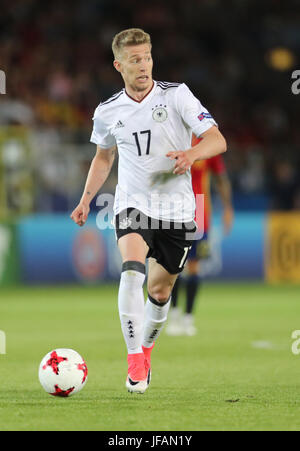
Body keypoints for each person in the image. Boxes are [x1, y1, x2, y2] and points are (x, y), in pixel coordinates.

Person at [70, 28, 227, 394]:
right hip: (132, 205)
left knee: (159, 292)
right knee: (132, 270)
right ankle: (134, 360)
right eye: (136, 60)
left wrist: (191, 153)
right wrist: (85, 199)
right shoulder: (107, 111)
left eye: (148, 57)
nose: (144, 65)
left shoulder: (177, 96)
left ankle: (146, 348)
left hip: (177, 210)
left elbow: (217, 140)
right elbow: (103, 157)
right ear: (118, 64)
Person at [166, 134, 234, 336]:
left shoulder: (207, 146)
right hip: (174, 212)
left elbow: (221, 180)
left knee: (193, 267)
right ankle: (175, 315)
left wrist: (228, 208)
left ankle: (188, 317)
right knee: (173, 267)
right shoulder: (172, 138)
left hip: (200, 213)